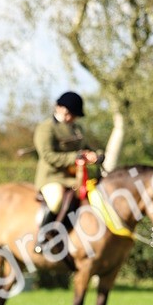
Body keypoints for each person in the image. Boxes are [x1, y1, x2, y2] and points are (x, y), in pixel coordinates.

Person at [33, 91, 99, 253]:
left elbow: (86, 147)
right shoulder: (46, 128)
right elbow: (48, 156)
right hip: (52, 177)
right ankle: (42, 237)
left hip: (75, 177)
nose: (72, 118)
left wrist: (96, 155)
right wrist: (76, 157)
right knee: (56, 200)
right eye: (70, 114)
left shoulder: (77, 129)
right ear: (59, 108)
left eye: (74, 115)